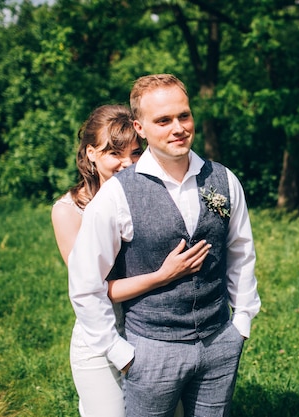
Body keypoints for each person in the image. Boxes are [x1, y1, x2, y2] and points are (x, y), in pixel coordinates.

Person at [67, 74, 261, 417]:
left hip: (220, 343)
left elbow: (241, 252)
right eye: (163, 120)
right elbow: (85, 285)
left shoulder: (224, 179)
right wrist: (119, 353)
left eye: (183, 116)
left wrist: (242, 321)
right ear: (140, 128)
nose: (178, 127)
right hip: (151, 350)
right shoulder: (116, 195)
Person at [52, 104, 203, 417]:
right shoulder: (68, 211)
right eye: (114, 153)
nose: (127, 163)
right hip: (102, 334)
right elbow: (93, 289)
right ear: (91, 153)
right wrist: (163, 275)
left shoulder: (155, 196)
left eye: (135, 153)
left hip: (156, 328)